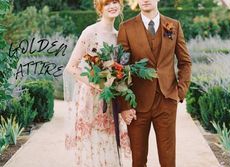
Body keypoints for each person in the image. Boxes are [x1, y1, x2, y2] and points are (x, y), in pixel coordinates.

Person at [117, 0, 192, 166]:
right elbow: (120, 68)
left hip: (166, 101)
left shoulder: (173, 25)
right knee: (138, 159)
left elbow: (185, 62)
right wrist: (124, 105)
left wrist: (180, 91)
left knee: (168, 159)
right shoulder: (126, 27)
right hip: (136, 105)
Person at [63, 0, 134, 166]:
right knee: (93, 141)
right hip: (91, 98)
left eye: (115, 2)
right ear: (100, 7)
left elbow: (121, 68)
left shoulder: (119, 36)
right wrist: (98, 84)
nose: (112, 6)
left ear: (121, 5)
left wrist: (118, 82)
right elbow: (71, 67)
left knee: (109, 139)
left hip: (111, 98)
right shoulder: (90, 32)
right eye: (107, 3)